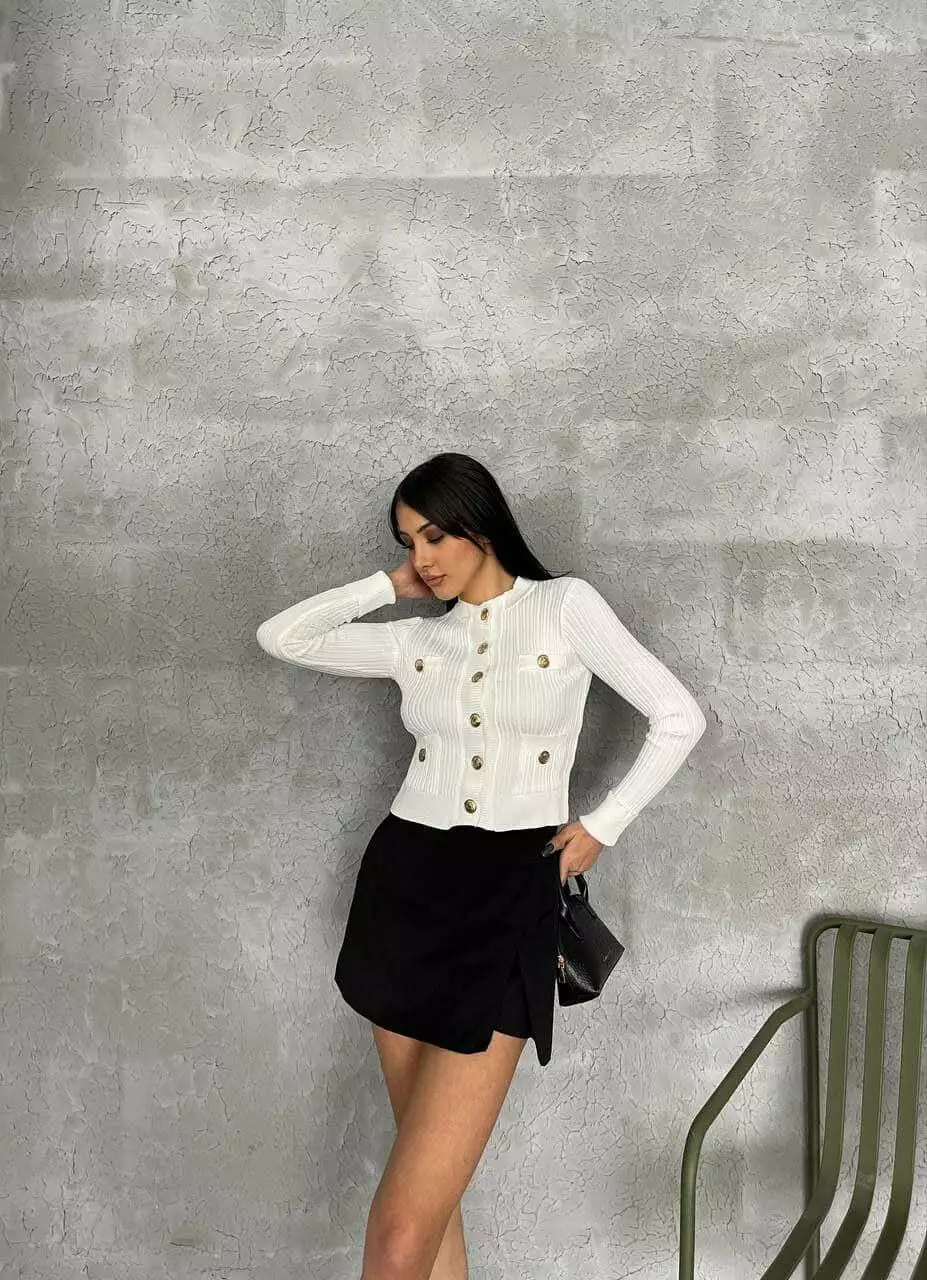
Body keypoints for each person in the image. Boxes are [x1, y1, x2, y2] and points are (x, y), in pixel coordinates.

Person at [255, 451, 707, 1280]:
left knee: (401, 1231)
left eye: (434, 535)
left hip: (506, 900)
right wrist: (388, 586)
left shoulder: (564, 606)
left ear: (481, 523)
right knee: (427, 1209)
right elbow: (281, 637)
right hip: (402, 892)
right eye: (408, 542)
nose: (422, 556)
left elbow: (677, 716)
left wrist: (601, 825)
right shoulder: (418, 639)